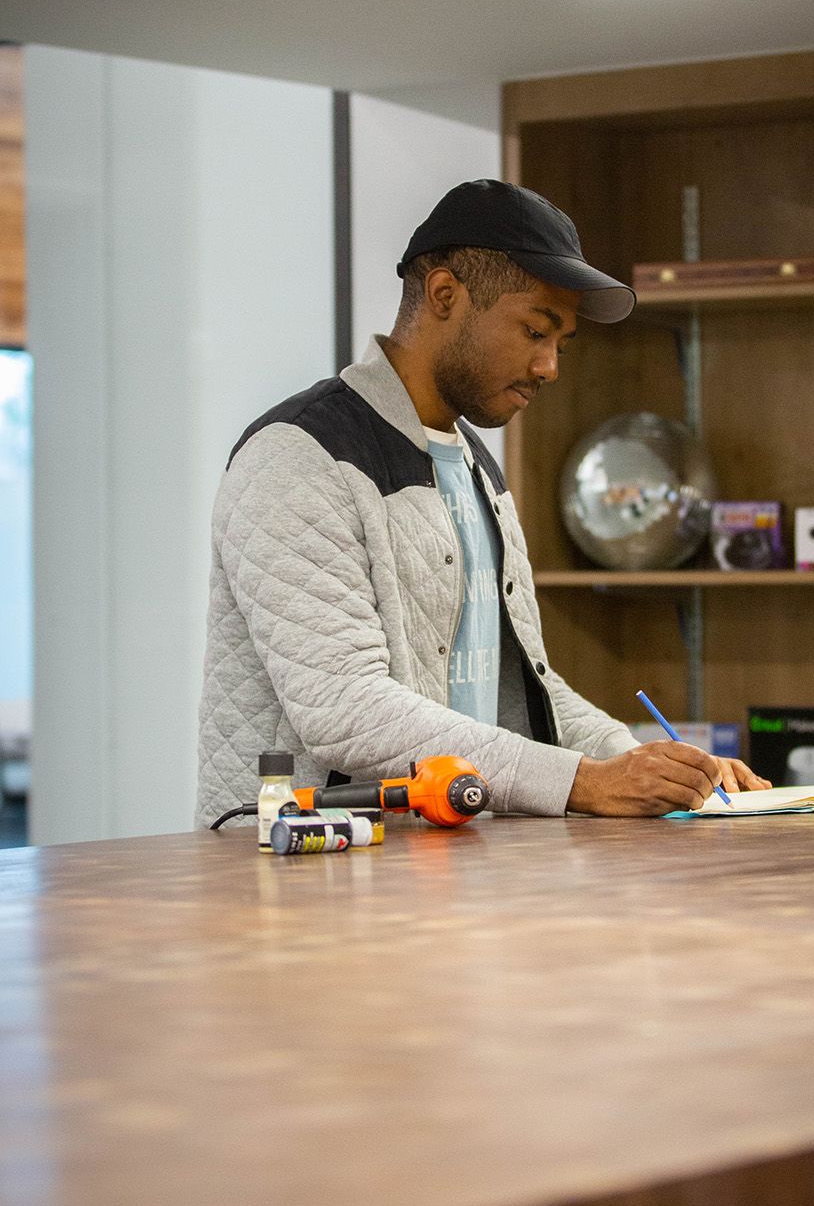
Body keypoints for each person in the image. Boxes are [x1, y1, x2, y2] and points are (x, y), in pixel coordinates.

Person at [196, 179, 768, 827]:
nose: (550, 366)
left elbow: (521, 687)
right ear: (445, 295)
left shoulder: (476, 467)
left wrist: (653, 766)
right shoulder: (299, 456)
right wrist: (586, 783)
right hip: (302, 886)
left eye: (561, 342)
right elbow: (342, 706)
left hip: (435, 877)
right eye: (534, 329)